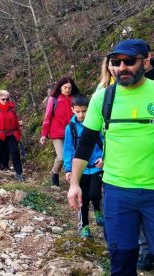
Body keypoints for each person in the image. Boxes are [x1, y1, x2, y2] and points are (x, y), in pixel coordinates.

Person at [68, 39, 154, 275]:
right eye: (116, 62)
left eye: (129, 61)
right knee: (122, 260)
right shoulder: (102, 99)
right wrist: (74, 183)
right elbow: (85, 143)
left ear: (146, 62)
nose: (121, 67)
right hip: (117, 192)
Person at [63, 95, 104, 238]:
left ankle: (98, 209)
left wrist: (103, 156)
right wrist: (68, 169)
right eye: (78, 111)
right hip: (80, 169)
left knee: (94, 193)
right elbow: (68, 150)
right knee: (83, 198)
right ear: (73, 110)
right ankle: (84, 226)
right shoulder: (71, 128)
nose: (81, 114)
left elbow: (105, 141)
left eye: (84, 111)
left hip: (97, 166)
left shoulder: (97, 123)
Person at [40, 76, 80, 186]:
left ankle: (75, 179)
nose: (67, 90)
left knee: (74, 155)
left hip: (72, 132)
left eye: (70, 88)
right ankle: (54, 172)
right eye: (65, 87)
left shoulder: (75, 100)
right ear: (60, 88)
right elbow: (47, 117)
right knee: (61, 156)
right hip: (57, 133)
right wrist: (44, 134)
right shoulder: (53, 100)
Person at [0, 90, 24, 181]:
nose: (5, 101)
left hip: (11, 134)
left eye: (7, 99)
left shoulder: (12, 107)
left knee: (15, 152)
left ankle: (19, 173)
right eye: (3, 99)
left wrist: (19, 134)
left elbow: (15, 121)